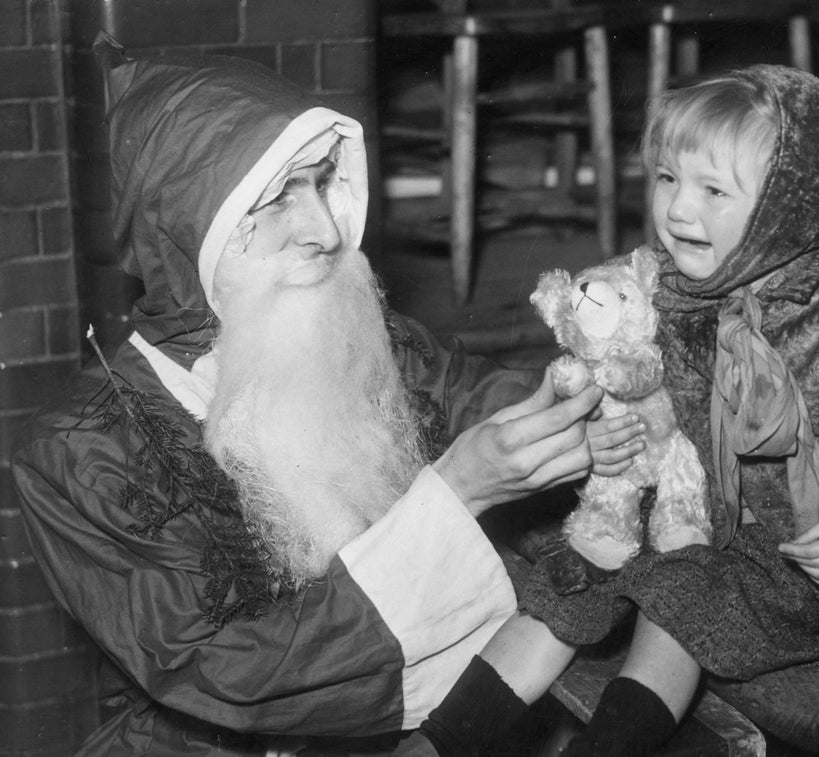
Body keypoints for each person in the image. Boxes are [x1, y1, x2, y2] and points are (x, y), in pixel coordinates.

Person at [10, 34, 647, 757]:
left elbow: (478, 397)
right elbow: (231, 673)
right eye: (281, 194)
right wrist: (457, 492)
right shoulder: (80, 449)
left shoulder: (354, 336)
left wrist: (598, 405)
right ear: (192, 222)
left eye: (321, 183)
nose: (323, 228)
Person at [400, 64, 819, 756]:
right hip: (684, 508)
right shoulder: (663, 281)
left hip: (804, 555)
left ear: (790, 204)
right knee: (571, 577)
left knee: (683, 596)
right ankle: (436, 742)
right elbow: (609, 338)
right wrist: (599, 429)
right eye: (667, 178)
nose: (678, 209)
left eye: (712, 190)